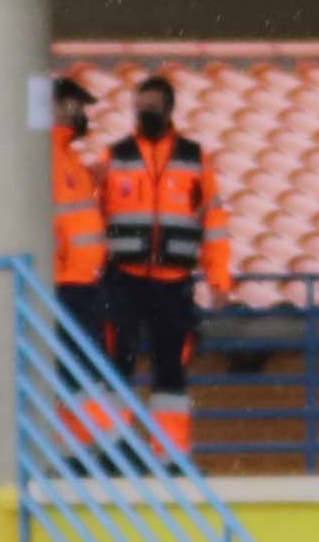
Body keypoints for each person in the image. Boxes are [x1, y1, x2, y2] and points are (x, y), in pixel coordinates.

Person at [96, 73, 232, 453]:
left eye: (152, 108)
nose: (144, 115)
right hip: (123, 279)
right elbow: (91, 216)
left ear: (170, 109)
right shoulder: (114, 156)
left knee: (171, 371)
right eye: (139, 109)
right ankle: (112, 450)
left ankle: (168, 453)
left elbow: (215, 225)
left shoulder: (194, 160)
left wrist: (219, 280)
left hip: (173, 283)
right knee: (115, 367)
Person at [48, 75, 106, 340]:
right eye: (78, 106)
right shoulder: (48, 154)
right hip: (64, 284)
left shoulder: (66, 156)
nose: (83, 114)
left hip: (80, 282)